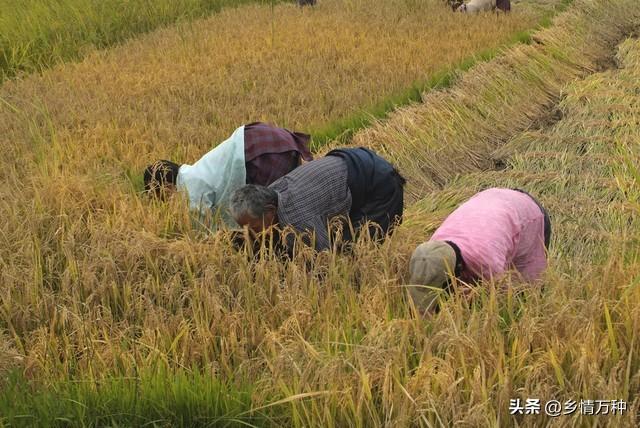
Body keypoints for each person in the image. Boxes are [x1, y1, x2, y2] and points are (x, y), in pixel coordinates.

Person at [229, 147, 405, 253]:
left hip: (378, 183)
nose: (252, 234)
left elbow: (324, 260)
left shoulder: (297, 219)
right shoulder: (272, 191)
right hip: (351, 165)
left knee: (352, 251)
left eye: (255, 228)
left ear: (271, 210)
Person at [407, 188, 551, 315]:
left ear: (457, 270)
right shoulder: (431, 251)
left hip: (525, 214)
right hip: (488, 201)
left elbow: (501, 305)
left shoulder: (487, 263)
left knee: (525, 296)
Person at [143, 122, 312, 226]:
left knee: (276, 211)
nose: (161, 202)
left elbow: (205, 230)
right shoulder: (193, 172)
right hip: (258, 139)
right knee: (289, 196)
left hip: (255, 154)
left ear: (163, 187)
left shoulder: (189, 188)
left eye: (157, 195)